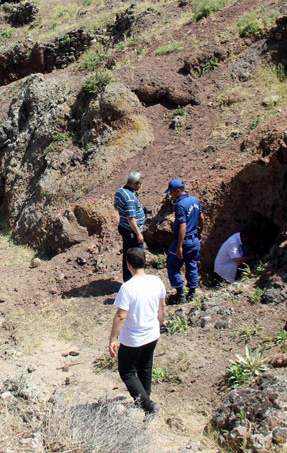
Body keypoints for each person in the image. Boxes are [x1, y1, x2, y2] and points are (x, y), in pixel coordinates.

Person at [109, 247, 166, 415]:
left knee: (127, 371)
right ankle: (146, 400)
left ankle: (147, 406)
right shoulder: (157, 281)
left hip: (133, 339)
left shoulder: (128, 287)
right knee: (145, 367)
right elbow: (162, 306)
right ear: (144, 262)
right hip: (152, 334)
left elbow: (121, 316)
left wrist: (113, 338)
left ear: (128, 265)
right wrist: (160, 322)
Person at [164, 178, 204, 304]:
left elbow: (182, 226)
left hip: (183, 241)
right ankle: (192, 292)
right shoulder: (195, 200)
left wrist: (179, 246)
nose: (170, 195)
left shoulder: (180, 205)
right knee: (192, 264)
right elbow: (201, 218)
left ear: (177, 191)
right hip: (194, 240)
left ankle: (180, 294)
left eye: (171, 192)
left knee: (173, 265)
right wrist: (200, 232)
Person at [114, 172, 146, 282]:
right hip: (131, 231)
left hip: (124, 228)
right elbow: (131, 219)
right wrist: (139, 234)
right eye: (139, 184)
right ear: (134, 183)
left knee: (127, 254)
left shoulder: (120, 192)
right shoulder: (130, 198)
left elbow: (116, 207)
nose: (140, 186)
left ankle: (127, 279)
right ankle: (135, 281)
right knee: (137, 257)